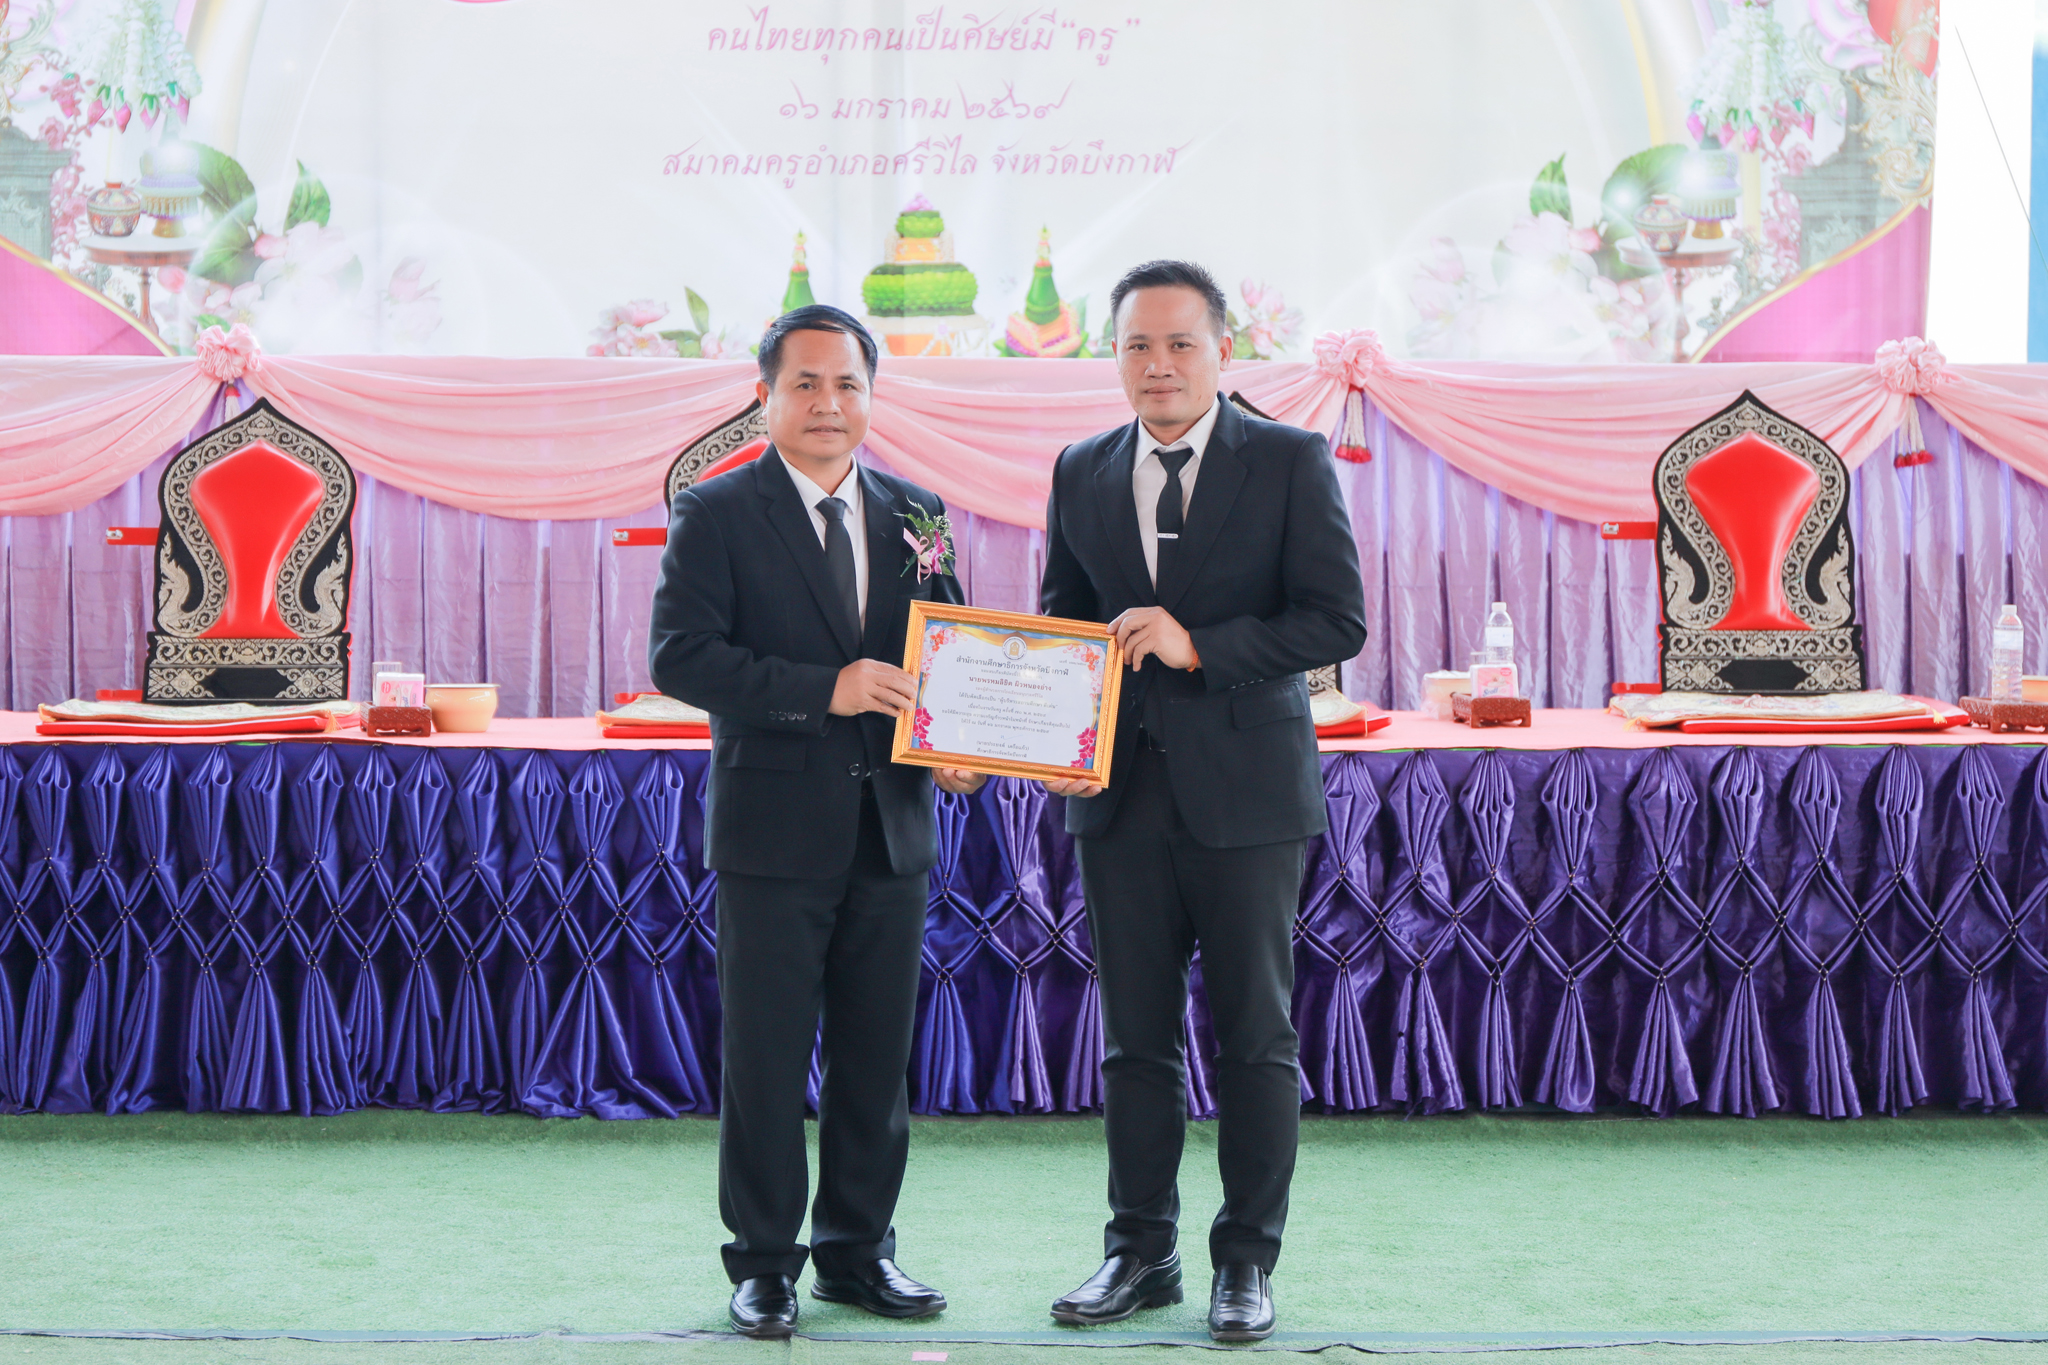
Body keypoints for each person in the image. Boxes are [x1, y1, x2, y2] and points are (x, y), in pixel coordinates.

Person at [1037, 261, 1366, 1342]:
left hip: (1248, 797)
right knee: (1133, 1043)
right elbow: (1065, 625)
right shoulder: (1081, 468)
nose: (1159, 365)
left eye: (1181, 343)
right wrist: (1049, 730)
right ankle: (1139, 1252)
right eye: (1137, 344)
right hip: (1117, 798)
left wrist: (1199, 647)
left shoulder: (1288, 459)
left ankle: (1246, 1261)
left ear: (1222, 350)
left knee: (1254, 1039)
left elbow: (1336, 620)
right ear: (1115, 355)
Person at [648, 304, 985, 1339]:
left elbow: (947, 646)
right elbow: (681, 658)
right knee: (764, 1060)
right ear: (766, 395)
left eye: (847, 384)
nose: (828, 403)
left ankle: (856, 1251)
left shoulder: (917, 511)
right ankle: (762, 1262)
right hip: (773, 834)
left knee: (876, 1060)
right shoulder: (715, 512)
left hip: (892, 827)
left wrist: (961, 740)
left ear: (871, 396)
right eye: (805, 383)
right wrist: (822, 691)